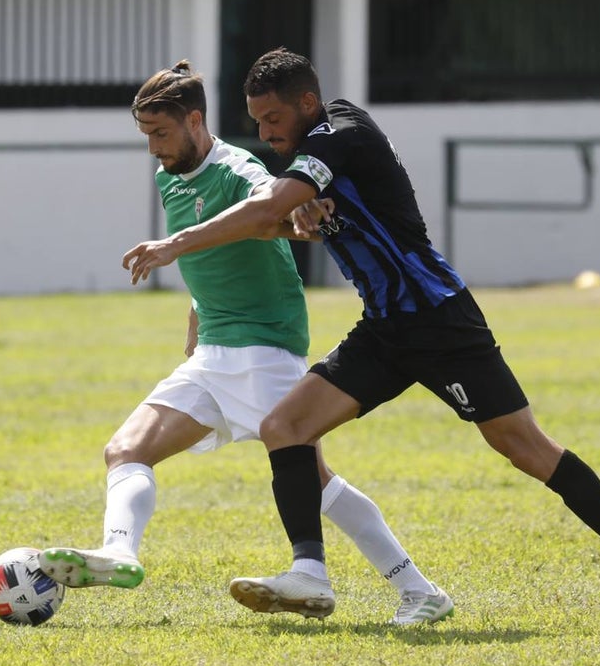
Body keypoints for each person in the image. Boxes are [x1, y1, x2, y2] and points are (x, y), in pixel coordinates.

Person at [122, 48, 600, 632]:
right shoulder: (309, 158)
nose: (265, 134)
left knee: (526, 448)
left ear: (307, 103)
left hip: (441, 320)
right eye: (257, 122)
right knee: (285, 427)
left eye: (272, 119)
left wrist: (174, 244)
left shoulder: (341, 131)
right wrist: (295, 222)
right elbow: (284, 216)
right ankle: (310, 573)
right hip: (385, 329)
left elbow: (269, 204)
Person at [38, 60, 455, 626]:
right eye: (146, 135)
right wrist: (197, 310)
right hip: (214, 351)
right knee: (126, 450)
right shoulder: (168, 177)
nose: (154, 147)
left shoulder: (238, 168)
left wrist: (301, 212)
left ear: (195, 120)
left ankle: (418, 589)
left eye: (161, 133)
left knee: (317, 482)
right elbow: (217, 250)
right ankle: (119, 551)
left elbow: (271, 210)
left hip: (264, 346)